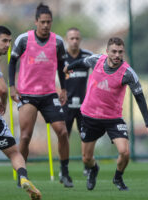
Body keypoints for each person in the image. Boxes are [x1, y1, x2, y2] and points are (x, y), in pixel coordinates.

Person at [64, 37, 148, 191]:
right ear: (107, 52)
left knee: (124, 152)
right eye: (113, 51)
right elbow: (82, 62)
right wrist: (69, 68)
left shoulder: (128, 73)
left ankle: (118, 178)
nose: (117, 55)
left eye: (120, 52)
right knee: (86, 158)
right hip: (89, 116)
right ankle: (93, 169)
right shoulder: (96, 61)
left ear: (123, 53)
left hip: (113, 119)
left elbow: (139, 97)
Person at [8, 3, 73, 187]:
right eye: (42, 22)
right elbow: (12, 62)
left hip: (49, 94)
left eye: (49, 22)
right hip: (27, 94)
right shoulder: (24, 39)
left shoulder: (58, 42)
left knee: (62, 131)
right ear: (36, 21)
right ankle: (23, 175)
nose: (45, 25)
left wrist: (64, 89)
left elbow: (62, 66)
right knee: (26, 136)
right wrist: (12, 87)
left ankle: (65, 172)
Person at [0, 26, 41, 200]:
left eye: (10, 41)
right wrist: (4, 103)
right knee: (14, 152)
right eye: (4, 41)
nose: (8, 45)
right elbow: (2, 89)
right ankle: (23, 177)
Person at [63, 27, 92, 176]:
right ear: (67, 40)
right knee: (64, 137)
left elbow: (98, 70)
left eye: (77, 38)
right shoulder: (61, 57)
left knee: (85, 136)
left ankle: (87, 166)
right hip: (66, 105)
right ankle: (64, 169)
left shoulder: (87, 56)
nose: (74, 41)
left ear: (80, 40)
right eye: (71, 38)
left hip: (84, 106)